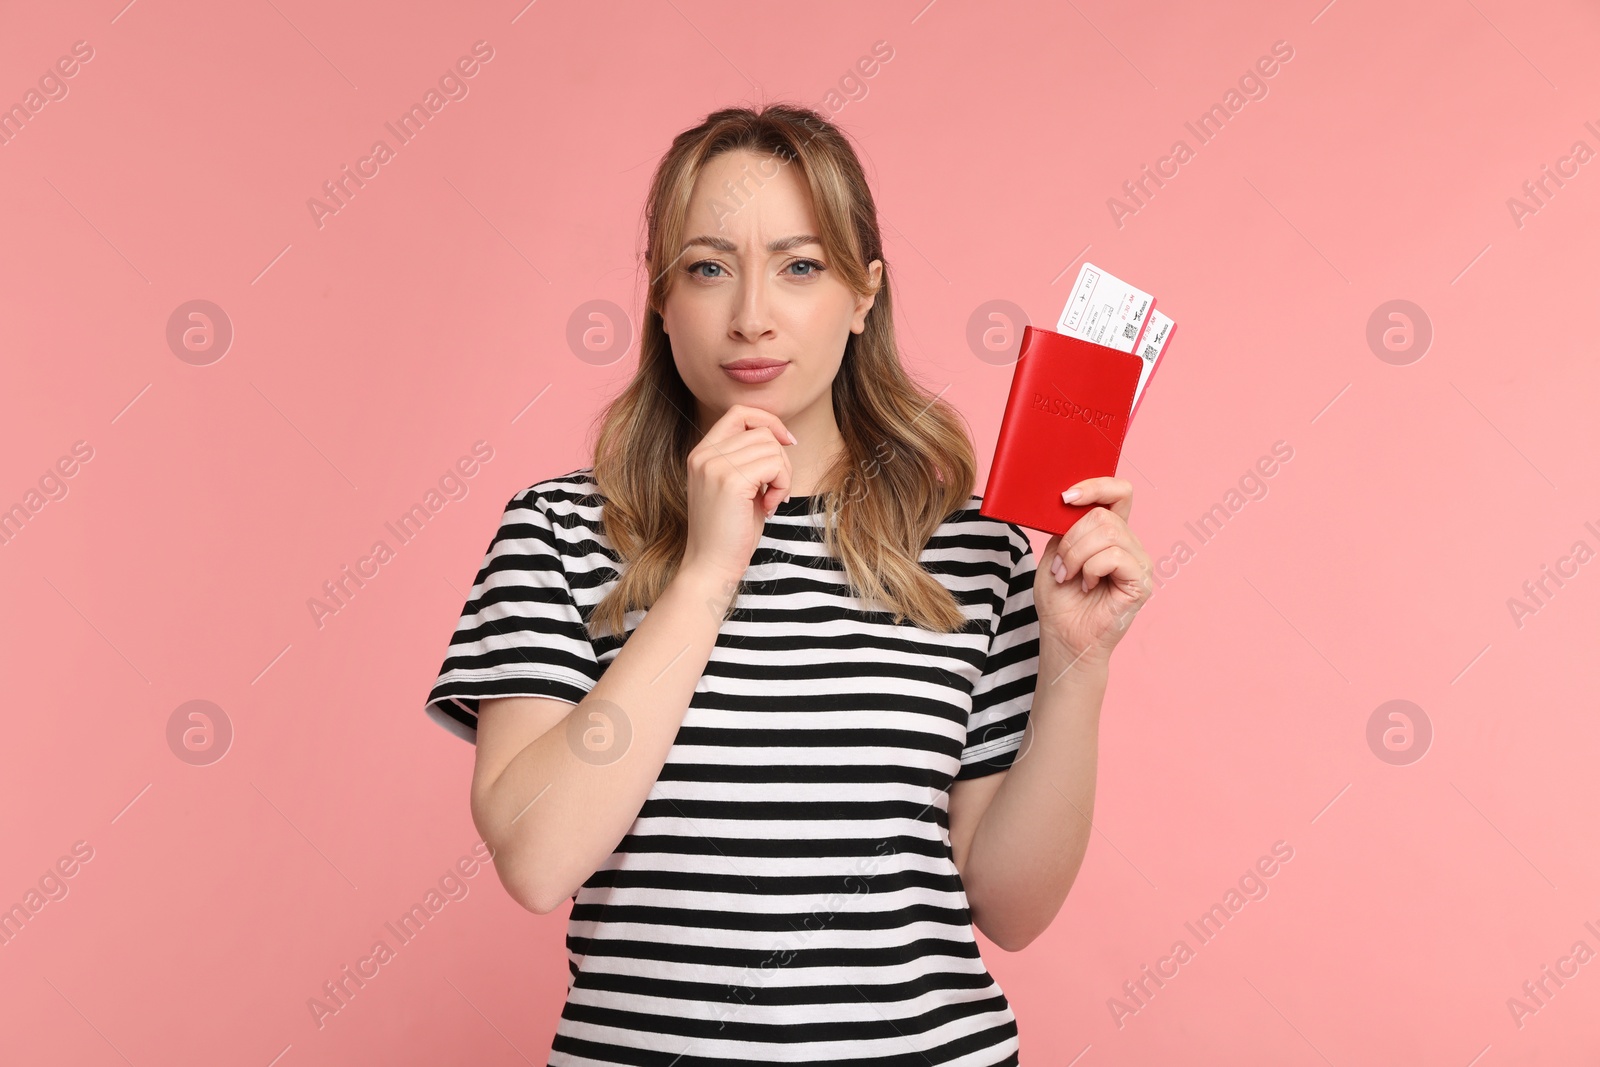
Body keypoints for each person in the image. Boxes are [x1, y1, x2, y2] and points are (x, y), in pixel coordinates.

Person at [424, 103, 1154, 1065]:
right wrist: (709, 570)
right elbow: (538, 856)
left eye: (801, 266)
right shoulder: (557, 531)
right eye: (708, 266)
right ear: (661, 298)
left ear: (864, 295)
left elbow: (1009, 908)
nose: (752, 314)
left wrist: (1076, 663)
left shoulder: (972, 549)